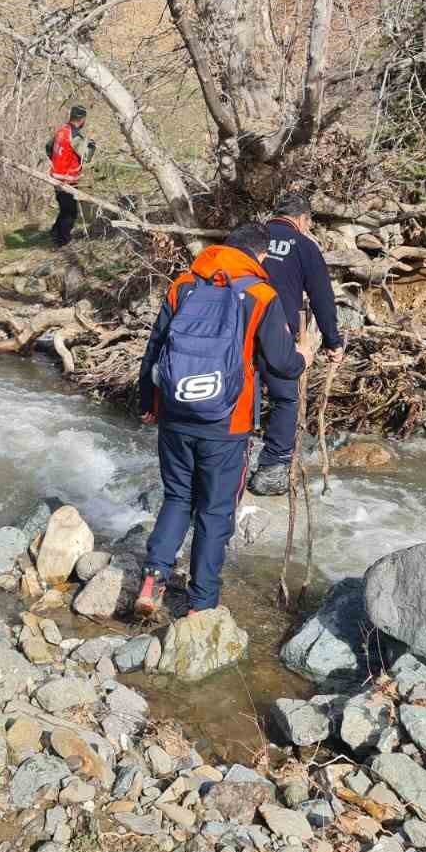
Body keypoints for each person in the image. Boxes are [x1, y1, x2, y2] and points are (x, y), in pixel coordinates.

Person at [133, 222, 320, 618]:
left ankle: (153, 577)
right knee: (216, 511)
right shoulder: (260, 294)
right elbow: (283, 366)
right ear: (260, 255)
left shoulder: (182, 286)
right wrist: (305, 353)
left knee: (178, 497)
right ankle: (202, 603)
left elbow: (155, 348)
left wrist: (148, 402)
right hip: (227, 423)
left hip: (175, 414)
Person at [247, 193, 343, 495]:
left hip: (239, 328)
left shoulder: (250, 237)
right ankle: (272, 468)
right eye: (309, 222)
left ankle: (235, 456)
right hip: (279, 331)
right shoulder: (304, 245)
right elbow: (322, 297)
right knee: (285, 398)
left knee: (242, 389)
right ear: (302, 219)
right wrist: (332, 341)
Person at [46, 105, 95, 247]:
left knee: (64, 207)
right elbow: (87, 156)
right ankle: (62, 240)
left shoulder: (61, 130)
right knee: (71, 212)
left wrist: (58, 161)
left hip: (56, 176)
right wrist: (92, 143)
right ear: (82, 119)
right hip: (67, 180)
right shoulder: (74, 136)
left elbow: (48, 148)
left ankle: (55, 231)